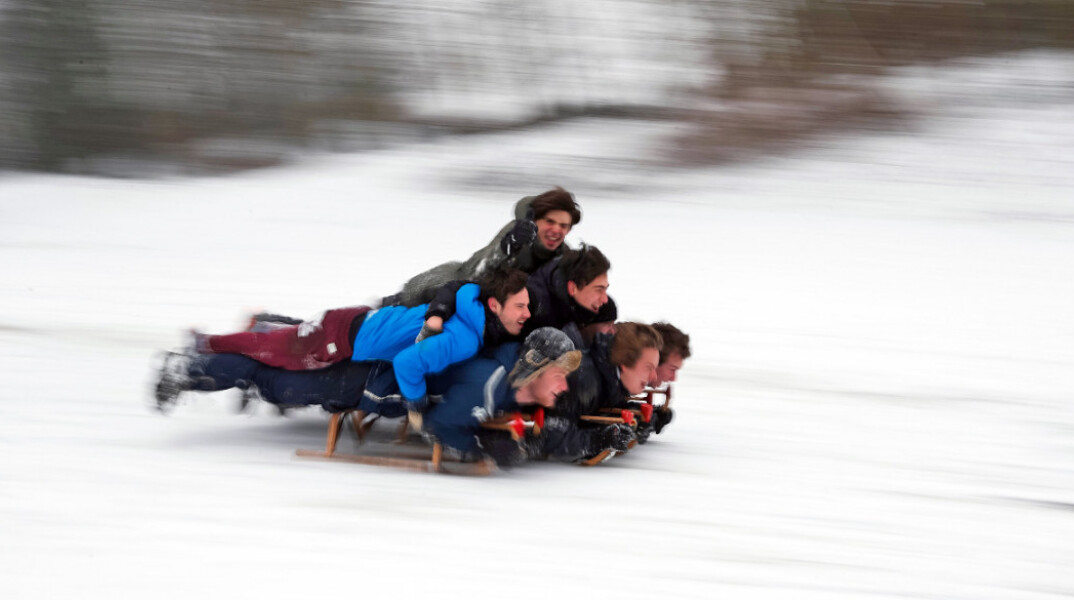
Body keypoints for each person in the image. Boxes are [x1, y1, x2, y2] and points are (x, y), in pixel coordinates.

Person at [154, 268, 531, 413]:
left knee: (275, 347)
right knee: (268, 351)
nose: (526, 314)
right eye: (520, 306)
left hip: (352, 324)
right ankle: (195, 354)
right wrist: (415, 405)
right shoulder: (465, 336)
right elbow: (406, 364)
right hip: (341, 340)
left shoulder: (468, 304)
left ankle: (225, 339)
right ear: (495, 304)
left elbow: (460, 286)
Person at [387, 188, 582, 307]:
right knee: (402, 303)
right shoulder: (516, 234)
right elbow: (477, 273)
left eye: (563, 226)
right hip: (451, 283)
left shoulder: (563, 256)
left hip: (504, 309)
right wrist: (508, 247)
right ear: (536, 219)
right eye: (550, 221)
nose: (556, 230)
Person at [423, 327, 582, 466]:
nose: (564, 387)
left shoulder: (514, 388)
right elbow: (438, 423)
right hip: (402, 394)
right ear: (535, 369)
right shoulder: (490, 384)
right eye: (559, 376)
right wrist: (482, 447)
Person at [525, 322, 665, 463]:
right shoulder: (584, 380)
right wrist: (596, 440)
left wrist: (640, 418)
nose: (654, 377)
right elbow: (550, 435)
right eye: (648, 368)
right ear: (625, 362)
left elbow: (600, 410)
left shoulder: (611, 377)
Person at [522, 244, 612, 335]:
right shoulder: (533, 304)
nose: (605, 299)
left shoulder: (573, 303)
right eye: (599, 290)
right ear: (572, 288)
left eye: (605, 289)